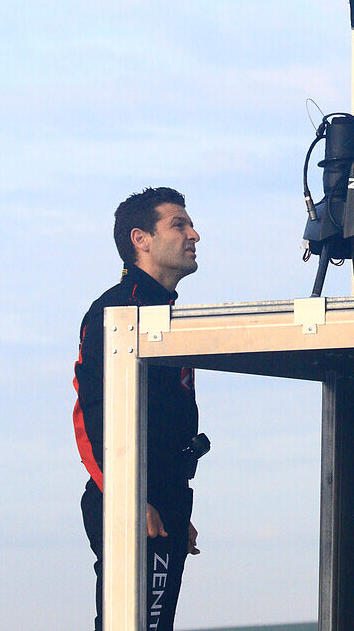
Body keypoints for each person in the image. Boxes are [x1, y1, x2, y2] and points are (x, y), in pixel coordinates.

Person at [73, 187, 203, 631]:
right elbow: (90, 418)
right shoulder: (115, 311)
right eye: (179, 225)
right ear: (140, 239)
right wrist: (131, 498)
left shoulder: (167, 313)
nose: (195, 235)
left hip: (164, 497)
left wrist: (169, 502)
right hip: (128, 498)